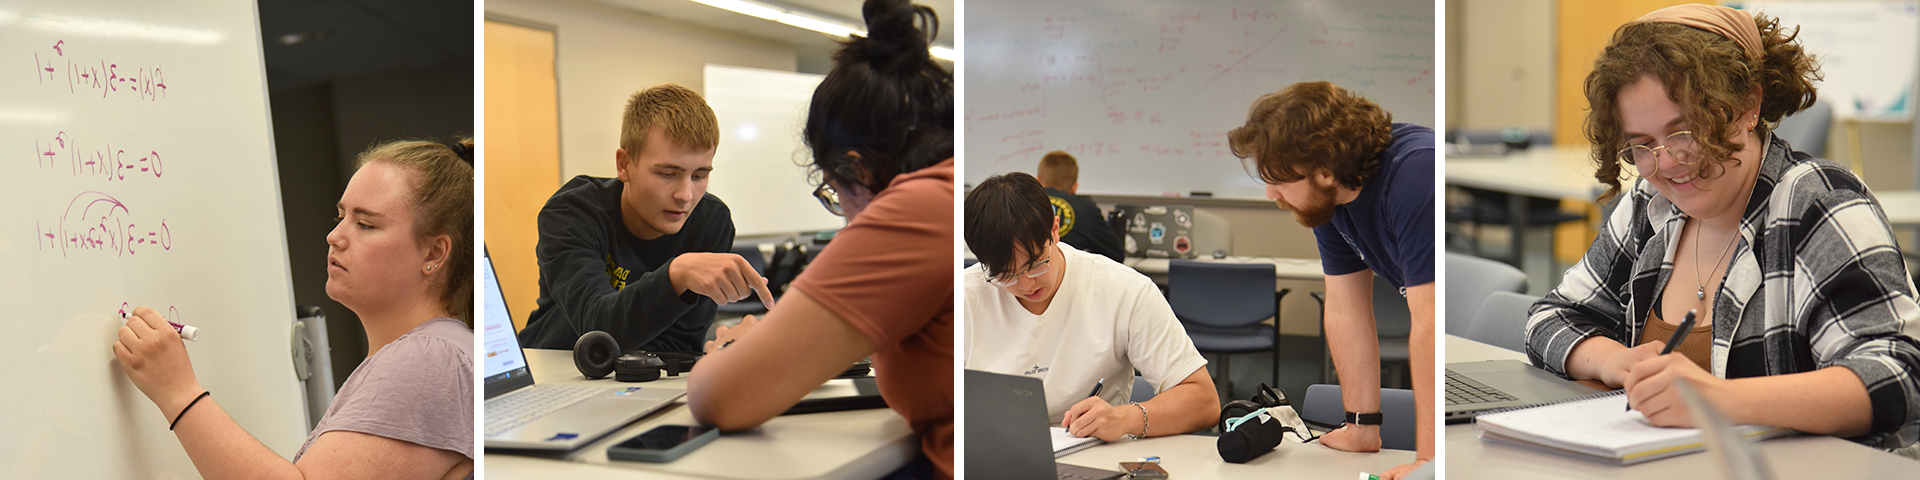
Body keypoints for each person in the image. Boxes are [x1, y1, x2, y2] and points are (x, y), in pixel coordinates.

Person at [1526, 4, 1920, 452]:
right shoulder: (1652, 206)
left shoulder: (1818, 203)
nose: (1667, 162)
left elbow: (1898, 375)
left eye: (1686, 131)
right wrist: (1618, 362)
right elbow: (1551, 316)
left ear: (1748, 105)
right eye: (1642, 145)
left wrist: (1717, 399)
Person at [683, 0, 954, 478]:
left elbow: (718, 397)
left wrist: (741, 348)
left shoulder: (917, 208)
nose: (849, 220)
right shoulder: (970, 183)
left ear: (858, 168)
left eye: (835, 193)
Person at [114, 139, 475, 479]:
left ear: (433, 254)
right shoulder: (436, 350)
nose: (335, 236)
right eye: (341, 217)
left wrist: (177, 391)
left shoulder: (430, 359)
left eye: (365, 224)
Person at [1227, 81, 1435, 478]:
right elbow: (1346, 307)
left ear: (1324, 168)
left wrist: (1427, 460)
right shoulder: (1330, 200)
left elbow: (1431, 323)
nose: (1271, 193)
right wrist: (1361, 426)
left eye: (1280, 180)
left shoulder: (1416, 172)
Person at [515, 84, 773, 352]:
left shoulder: (712, 221)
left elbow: (682, 342)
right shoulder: (572, 212)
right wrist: (676, 274)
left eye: (699, 175)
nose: (685, 195)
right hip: (554, 369)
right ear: (624, 165)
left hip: (640, 378)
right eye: (667, 174)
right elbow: (598, 331)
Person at [963, 172, 1221, 440]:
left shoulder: (1122, 289)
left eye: (1036, 263)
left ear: (1055, 229)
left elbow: (1204, 401)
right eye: (1006, 275)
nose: (1026, 284)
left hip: (1093, 458)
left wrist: (1127, 418)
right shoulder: (963, 298)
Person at [1035, 151, 1125, 262]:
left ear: (1037, 180)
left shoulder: (1023, 204)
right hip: (1072, 275)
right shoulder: (1086, 209)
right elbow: (1116, 255)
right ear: (1074, 187)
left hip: (1028, 274)